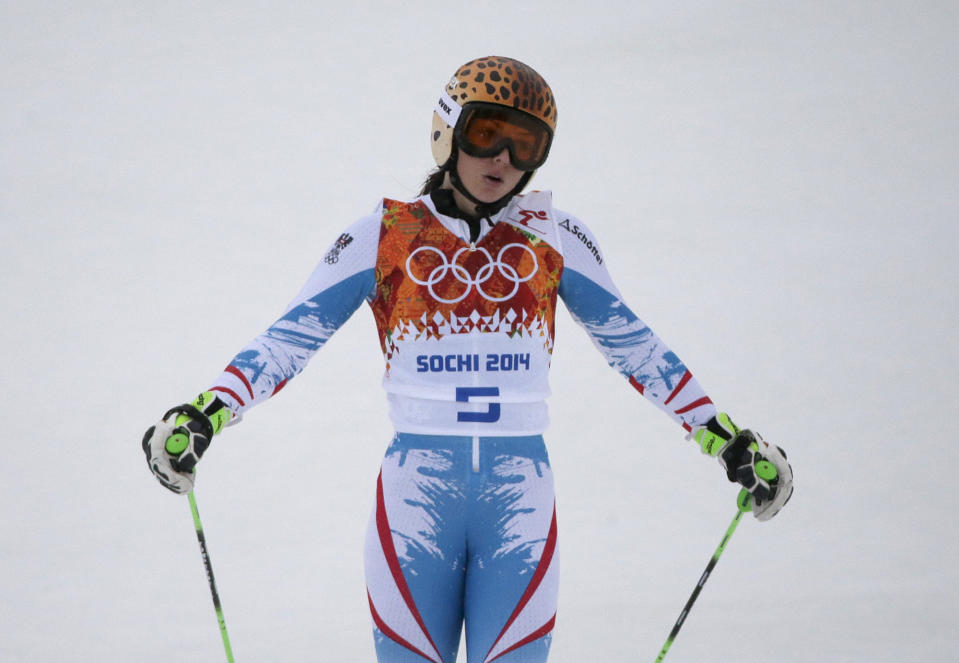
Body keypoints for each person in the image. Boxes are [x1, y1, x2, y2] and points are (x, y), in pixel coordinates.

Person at [143, 55, 794, 663]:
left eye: (526, 144)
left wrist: (725, 439)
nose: (505, 158)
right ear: (447, 130)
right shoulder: (386, 233)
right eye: (488, 133)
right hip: (416, 493)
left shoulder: (554, 236)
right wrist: (207, 413)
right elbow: (290, 338)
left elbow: (636, 347)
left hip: (519, 493)